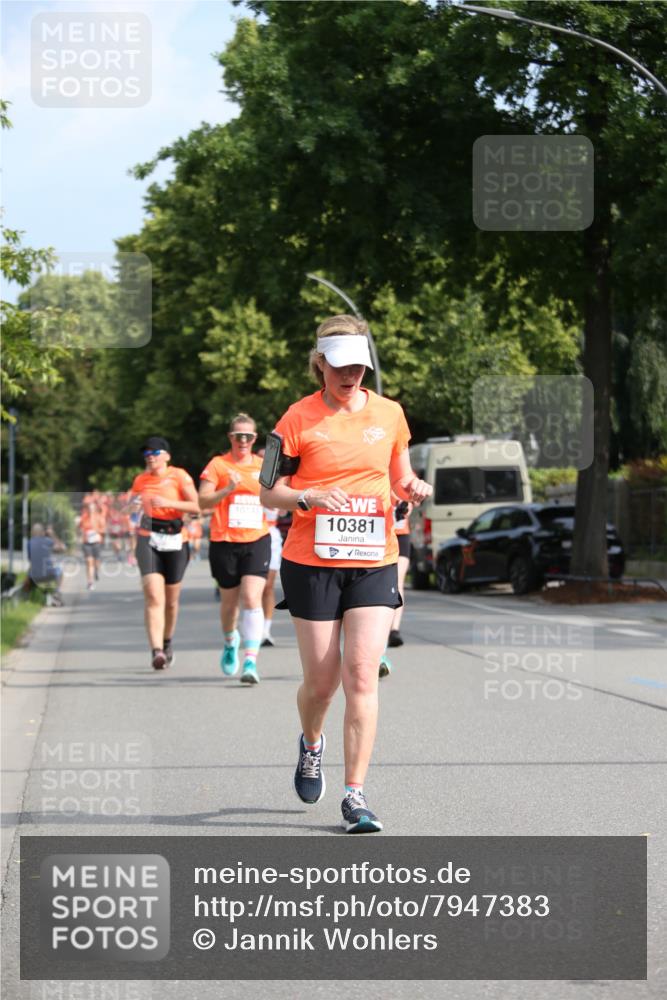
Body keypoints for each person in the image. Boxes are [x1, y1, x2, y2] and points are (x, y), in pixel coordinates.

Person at [260, 314, 432, 833]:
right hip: (311, 561)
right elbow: (268, 492)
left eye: (359, 366)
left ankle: (355, 796)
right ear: (320, 363)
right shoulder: (295, 419)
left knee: (361, 674)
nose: (350, 375)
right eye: (340, 365)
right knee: (322, 682)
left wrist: (414, 488)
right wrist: (307, 494)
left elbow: (398, 478)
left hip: (373, 558)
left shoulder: (391, 414)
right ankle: (311, 744)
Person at [199, 414, 271, 685]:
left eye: (249, 436)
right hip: (224, 542)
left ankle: (251, 660)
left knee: (252, 597)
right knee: (229, 603)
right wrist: (227, 489)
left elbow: (277, 493)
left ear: (254, 439)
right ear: (230, 437)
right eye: (238, 436)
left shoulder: (263, 466)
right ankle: (231, 642)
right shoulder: (218, 465)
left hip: (257, 539)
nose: (243, 441)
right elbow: (203, 501)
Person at [127, 436, 199, 670]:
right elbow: (129, 508)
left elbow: (196, 506)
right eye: (147, 452)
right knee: (153, 596)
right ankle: (156, 651)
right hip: (147, 538)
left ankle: (167, 642)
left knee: (170, 601)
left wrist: (169, 504)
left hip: (176, 539)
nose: (150, 456)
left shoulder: (179, 476)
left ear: (167, 456)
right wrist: (134, 507)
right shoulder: (140, 479)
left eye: (155, 452)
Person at [379, 497, 413, 678]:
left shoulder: (403, 473)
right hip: (376, 534)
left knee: (397, 581)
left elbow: (412, 501)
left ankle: (394, 630)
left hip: (399, 534)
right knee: (381, 587)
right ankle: (378, 650)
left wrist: (405, 508)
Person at [28, 523, 65, 605]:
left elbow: (31, 560)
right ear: (43, 532)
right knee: (59, 570)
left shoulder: (29, 543)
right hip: (48, 575)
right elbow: (62, 547)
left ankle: (43, 597)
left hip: (33, 576)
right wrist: (52, 534)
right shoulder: (47, 541)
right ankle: (56, 592)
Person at [79, 499, 105, 590]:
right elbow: (80, 528)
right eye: (89, 509)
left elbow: (103, 530)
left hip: (96, 542)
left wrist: (96, 532)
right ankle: (90, 582)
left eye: (92, 509)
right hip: (86, 543)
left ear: (95, 509)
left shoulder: (99, 517)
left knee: (96, 562)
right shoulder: (84, 517)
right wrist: (83, 534)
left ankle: (96, 571)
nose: (90, 510)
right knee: (89, 562)